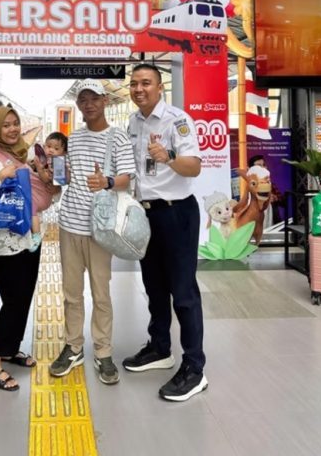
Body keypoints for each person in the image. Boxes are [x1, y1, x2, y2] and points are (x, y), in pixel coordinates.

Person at [124, 64, 207, 402]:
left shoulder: (177, 120)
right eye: (134, 83)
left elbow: (194, 166)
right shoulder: (133, 122)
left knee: (183, 293)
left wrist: (168, 155)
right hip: (147, 215)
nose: (139, 89)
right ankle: (160, 347)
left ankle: (195, 368)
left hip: (177, 213)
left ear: (160, 87)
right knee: (154, 287)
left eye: (146, 83)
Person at [49, 79, 136, 385]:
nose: (89, 104)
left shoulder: (118, 137)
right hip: (70, 225)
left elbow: (127, 178)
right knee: (71, 293)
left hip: (101, 228)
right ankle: (73, 347)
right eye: (83, 99)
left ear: (105, 101)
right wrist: (55, 173)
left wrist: (108, 182)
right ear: (78, 105)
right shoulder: (73, 138)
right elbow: (68, 178)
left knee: (101, 294)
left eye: (94, 98)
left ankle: (103, 351)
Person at [0, 106, 56, 392]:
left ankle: (9, 349)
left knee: (24, 296)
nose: (12, 129)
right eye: (5, 125)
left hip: (28, 237)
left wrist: (44, 178)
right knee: (13, 300)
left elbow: (37, 198)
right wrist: (0, 176)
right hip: (3, 241)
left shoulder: (20, 155)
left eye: (15, 123)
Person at [30, 131, 68, 241]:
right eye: (49, 146)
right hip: (42, 196)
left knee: (31, 208)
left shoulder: (59, 163)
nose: (51, 150)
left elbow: (46, 179)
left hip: (45, 196)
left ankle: (36, 235)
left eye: (56, 149)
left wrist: (39, 168)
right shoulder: (45, 159)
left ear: (64, 153)